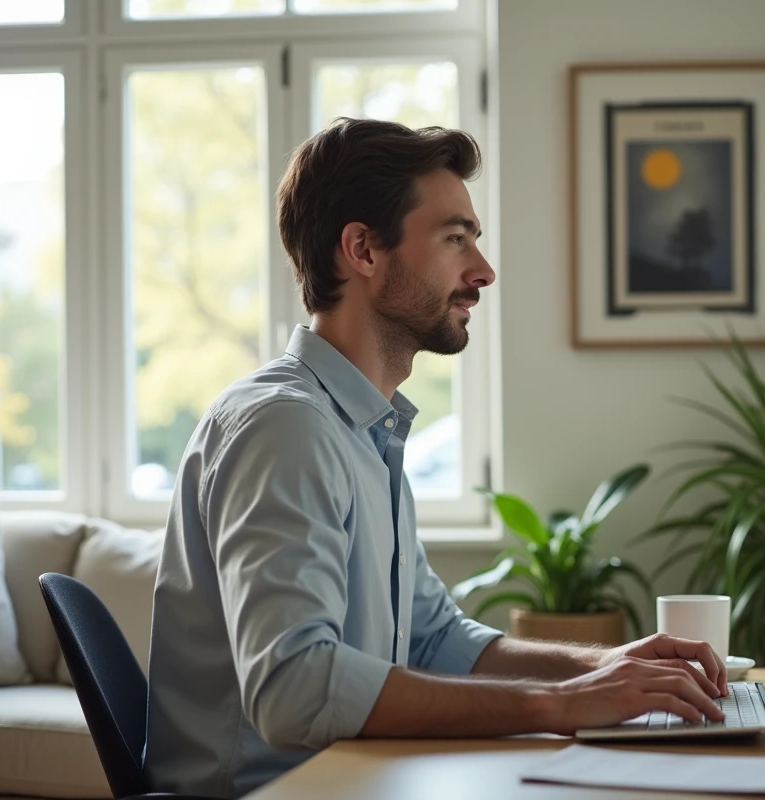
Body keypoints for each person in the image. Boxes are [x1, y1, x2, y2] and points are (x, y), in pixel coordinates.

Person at [143, 118, 728, 798]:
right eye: (455, 239)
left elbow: (432, 639)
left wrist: (600, 669)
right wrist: (559, 707)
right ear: (362, 249)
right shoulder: (286, 429)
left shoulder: (365, 429)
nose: (482, 271)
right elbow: (295, 690)